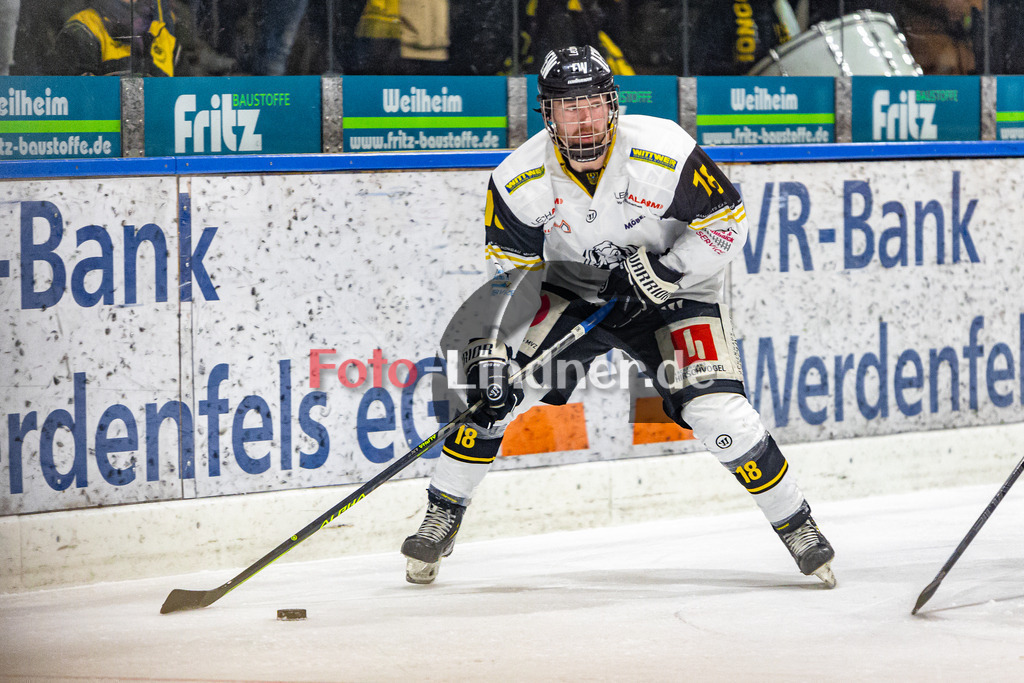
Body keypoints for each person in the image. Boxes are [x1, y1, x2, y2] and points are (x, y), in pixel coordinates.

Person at [400, 45, 837, 588]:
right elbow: (510, 277)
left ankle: (798, 525)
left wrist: (668, 271)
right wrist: (492, 354)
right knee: (486, 397)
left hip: (673, 295)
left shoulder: (665, 149)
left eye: (592, 103)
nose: (583, 118)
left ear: (612, 104)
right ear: (548, 113)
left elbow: (727, 220)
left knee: (719, 411)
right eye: (568, 105)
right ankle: (442, 513)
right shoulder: (517, 178)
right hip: (571, 295)